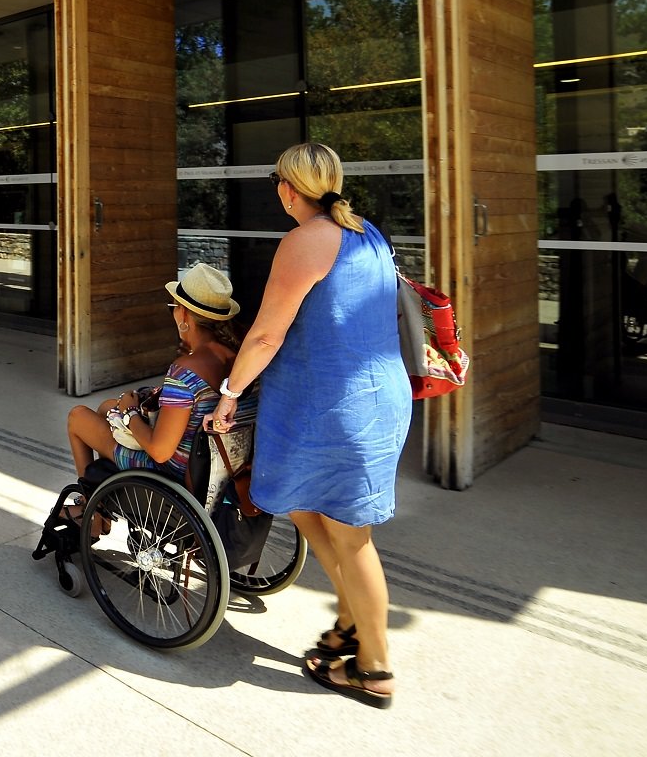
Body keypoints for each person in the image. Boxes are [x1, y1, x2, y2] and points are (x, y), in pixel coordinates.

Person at [213, 142, 411, 709]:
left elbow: (267, 334)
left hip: (337, 405)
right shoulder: (365, 231)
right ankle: (349, 623)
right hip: (364, 397)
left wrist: (230, 393)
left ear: (287, 188)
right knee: (304, 505)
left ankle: (373, 668)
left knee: (352, 537)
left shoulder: (306, 240)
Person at [65, 263, 240, 485]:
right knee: (106, 408)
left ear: (184, 315)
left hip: (172, 473)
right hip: (212, 467)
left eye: (173, 307)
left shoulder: (185, 370)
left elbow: (160, 451)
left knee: (78, 416)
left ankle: (88, 507)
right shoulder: (238, 360)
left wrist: (130, 412)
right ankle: (99, 506)